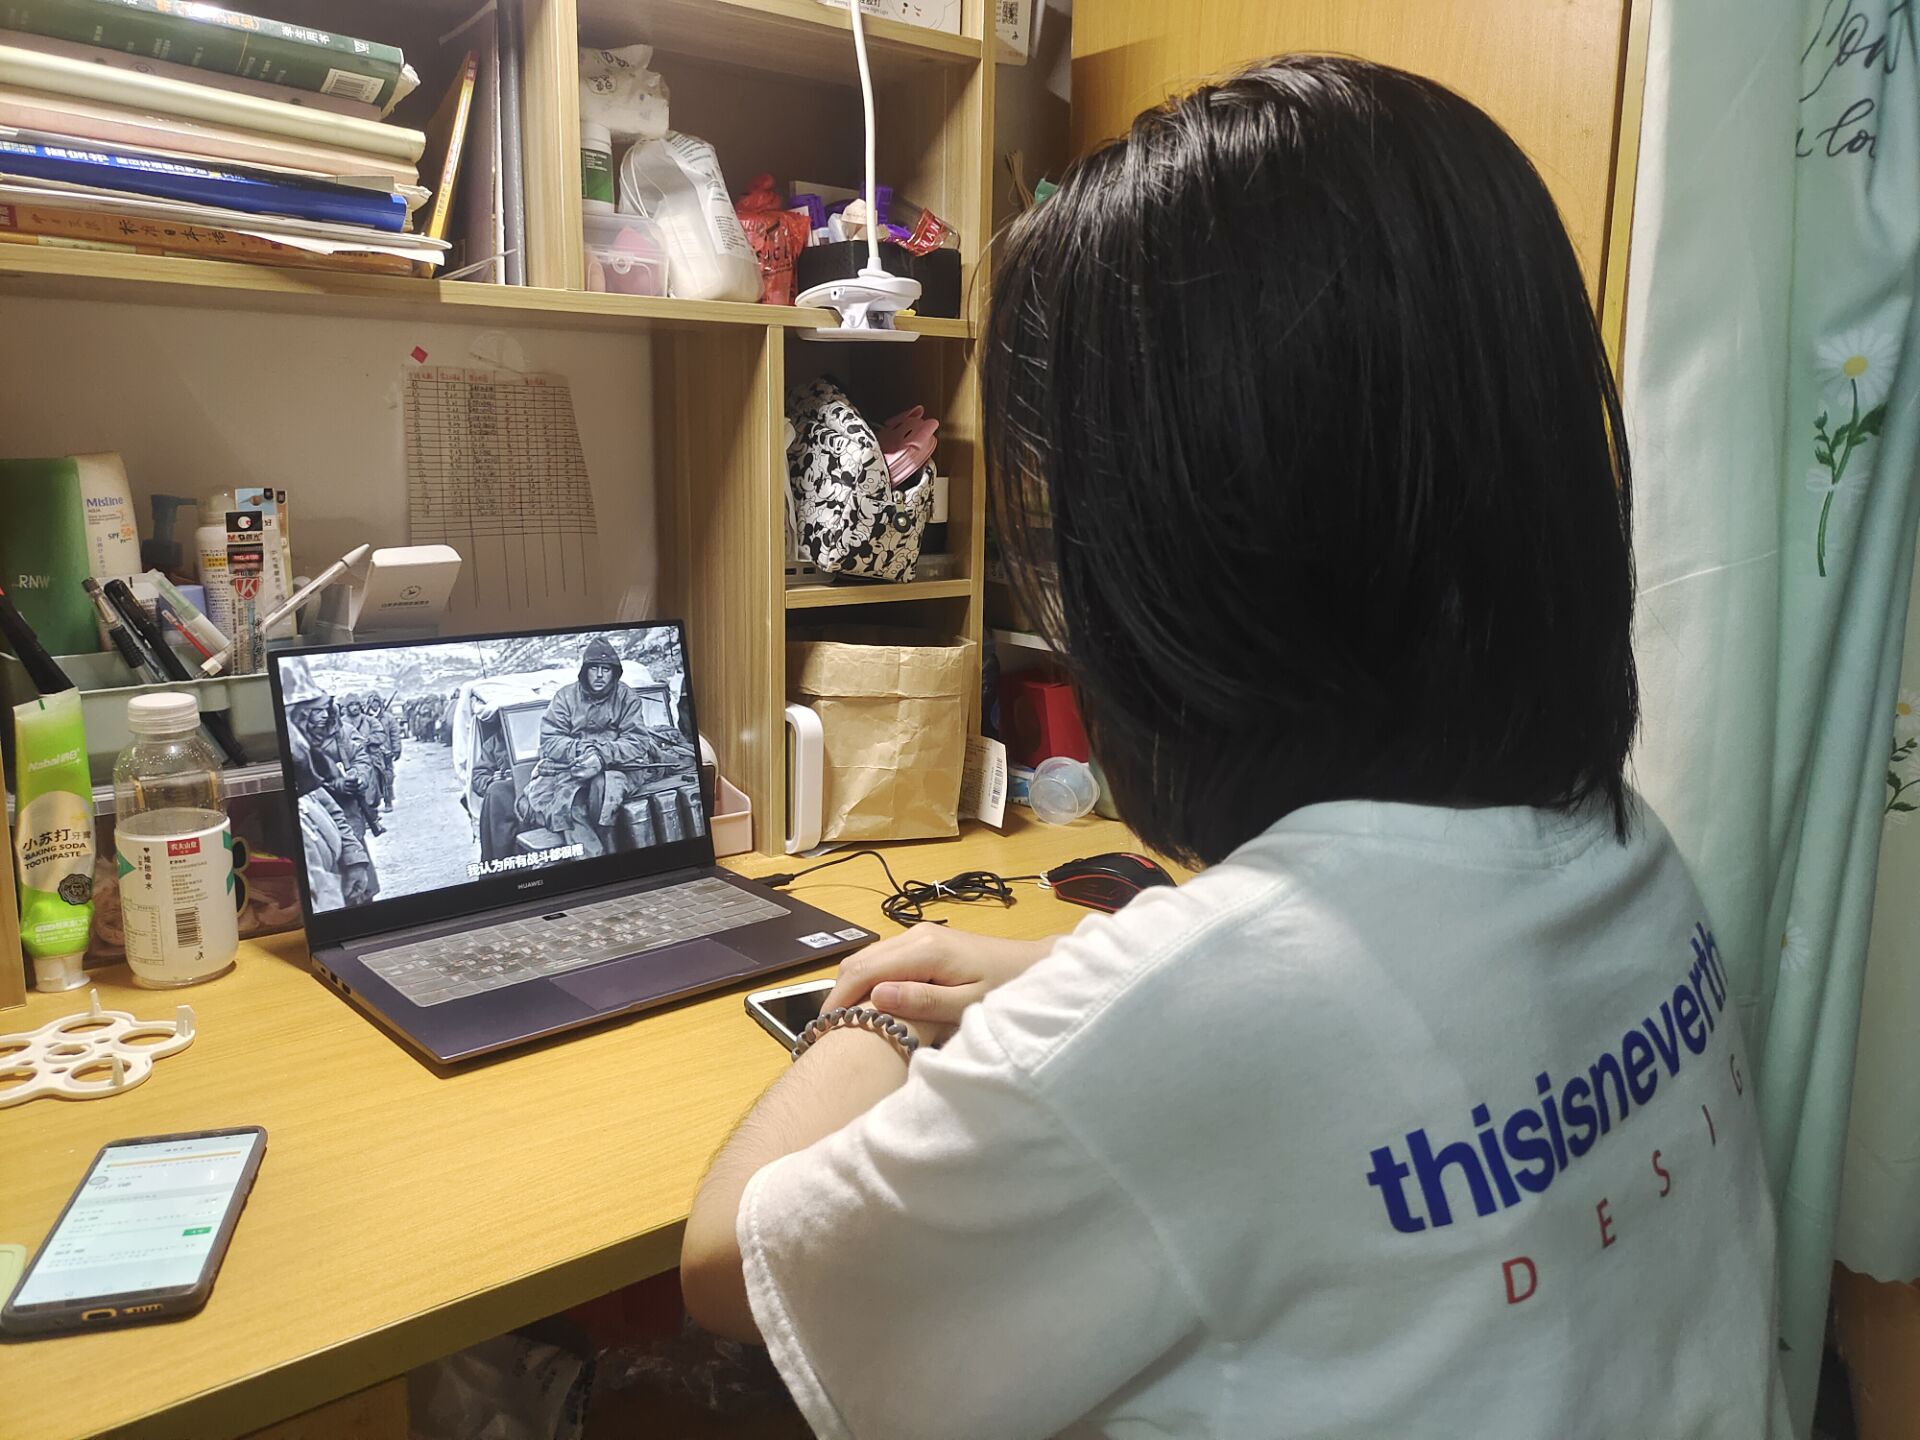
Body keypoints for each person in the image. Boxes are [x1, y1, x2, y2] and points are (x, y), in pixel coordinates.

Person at [680, 57, 1790, 1439]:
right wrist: (1071, 974)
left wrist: (870, 1015)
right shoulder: (1626, 854)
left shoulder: (1189, 1036)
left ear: (1199, 560)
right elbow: (1326, 1019)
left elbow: (731, 1260)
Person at [515, 636, 679, 857]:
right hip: (573, 767)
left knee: (605, 788)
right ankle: (594, 862)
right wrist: (583, 752)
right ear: (585, 671)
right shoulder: (565, 697)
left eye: (606, 669)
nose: (600, 675)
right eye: (594, 668)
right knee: (568, 804)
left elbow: (637, 740)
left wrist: (601, 757)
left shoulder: (627, 697)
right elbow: (550, 739)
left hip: (621, 766)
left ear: (614, 672)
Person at [280, 659, 380, 904]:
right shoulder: (295, 749)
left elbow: (362, 758)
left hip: (349, 818)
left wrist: (357, 777)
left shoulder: (343, 732)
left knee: (363, 892)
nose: (323, 715)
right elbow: (313, 787)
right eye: (315, 711)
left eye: (325, 709)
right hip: (323, 843)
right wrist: (334, 785)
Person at [468, 716, 520, 865]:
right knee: (496, 792)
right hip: (507, 801)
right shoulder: (493, 743)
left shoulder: (536, 735)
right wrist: (491, 780)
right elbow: (478, 776)